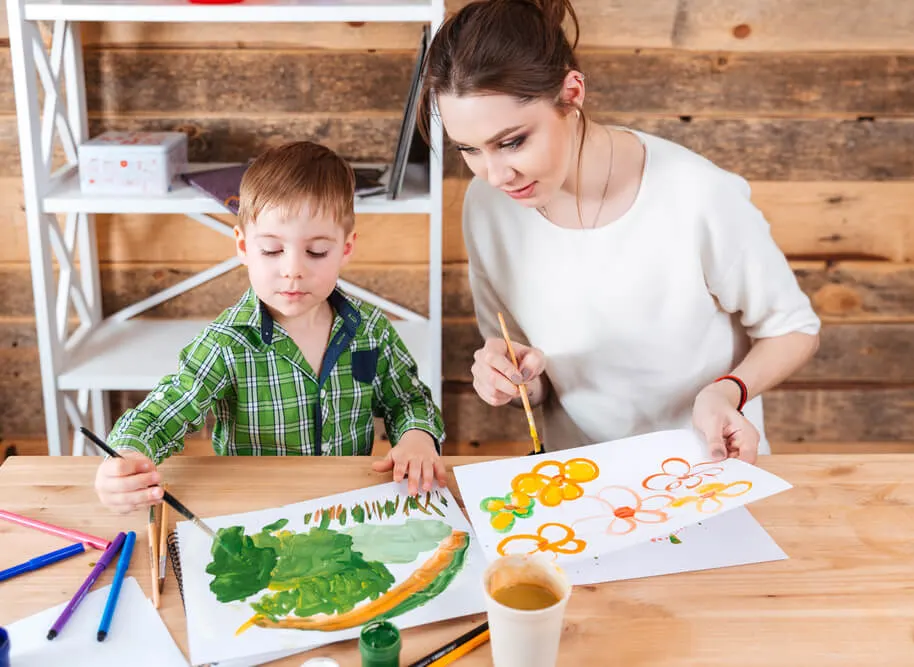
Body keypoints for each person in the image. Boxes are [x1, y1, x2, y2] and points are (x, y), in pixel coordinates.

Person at [420, 0, 820, 463]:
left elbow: (794, 329)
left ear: (571, 93)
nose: (494, 174)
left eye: (512, 142)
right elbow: (528, 373)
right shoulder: (487, 207)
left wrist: (726, 392)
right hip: (576, 479)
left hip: (709, 465)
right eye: (469, 149)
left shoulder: (698, 194)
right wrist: (516, 382)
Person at [94, 141, 446, 514]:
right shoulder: (227, 343)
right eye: (272, 250)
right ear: (244, 246)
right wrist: (127, 456)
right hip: (255, 511)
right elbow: (164, 412)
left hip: (347, 508)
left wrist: (417, 437)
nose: (292, 269)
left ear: (345, 248)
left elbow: (406, 399)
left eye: (316, 252)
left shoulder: (370, 331)